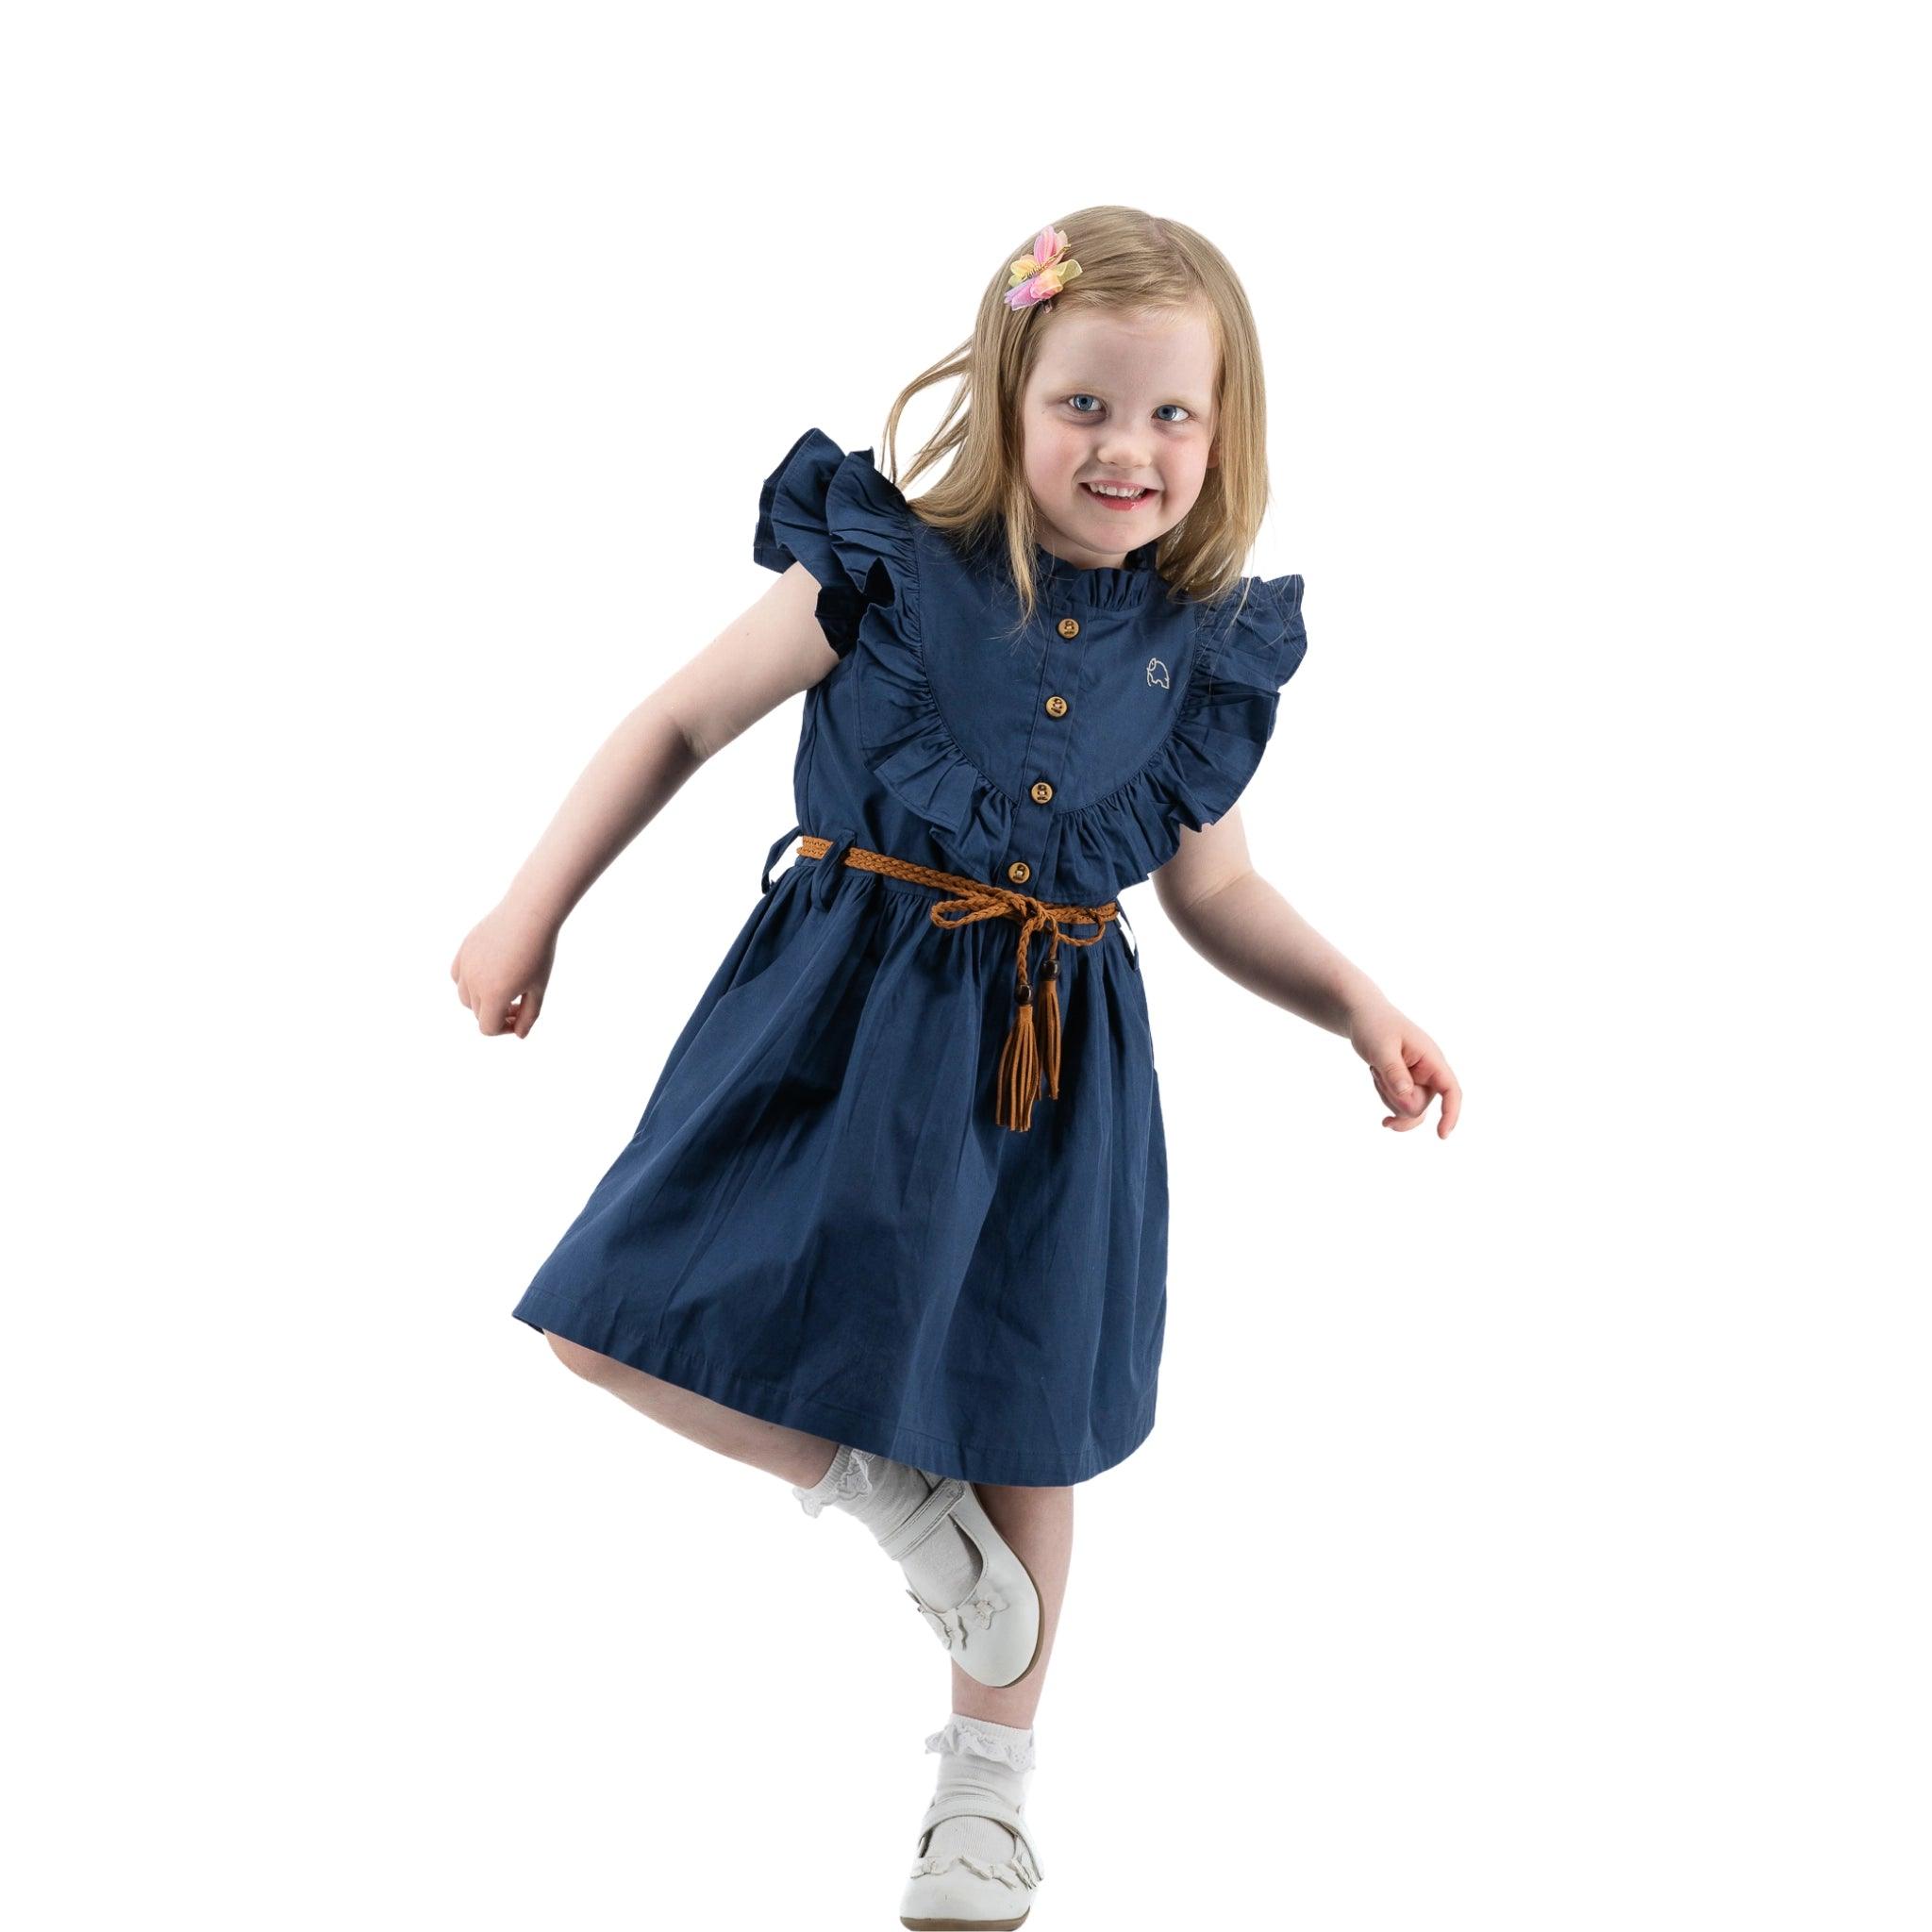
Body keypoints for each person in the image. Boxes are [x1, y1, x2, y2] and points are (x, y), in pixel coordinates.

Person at [450, 206, 1461, 1928]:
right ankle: (890, 1499)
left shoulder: (1196, 648)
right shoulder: (888, 571)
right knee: (609, 1315)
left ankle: (984, 1804)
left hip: (1052, 1064)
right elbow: (682, 720)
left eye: (1170, 417)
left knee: (1028, 1404)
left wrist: (1356, 998)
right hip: (832, 1018)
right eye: (1083, 406)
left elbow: (1211, 887)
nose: (1126, 450)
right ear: (1008, 397)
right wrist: (529, 911)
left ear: (1223, 434)